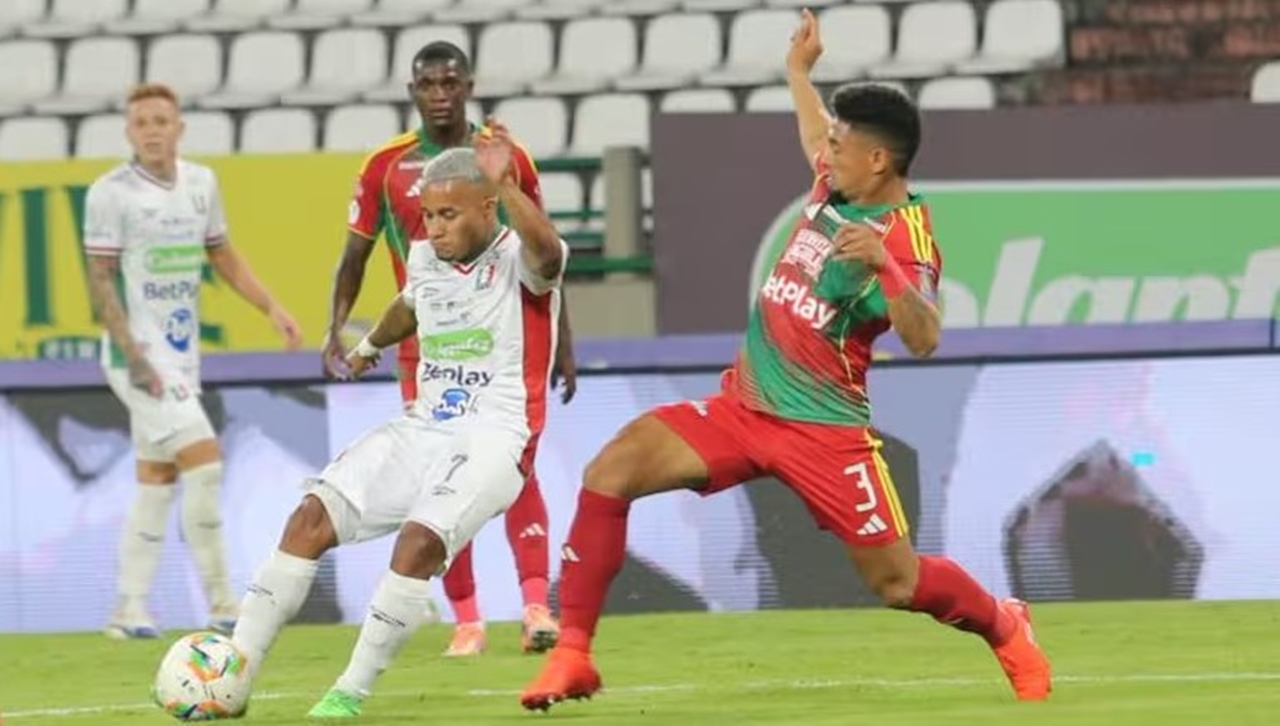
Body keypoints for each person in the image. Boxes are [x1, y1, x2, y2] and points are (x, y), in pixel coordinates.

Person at [520, 10, 1053, 711]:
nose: (824, 152)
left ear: (878, 161)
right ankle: (573, 656)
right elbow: (813, 133)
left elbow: (925, 337)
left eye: (839, 144)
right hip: (743, 409)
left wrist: (887, 268)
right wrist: (798, 72)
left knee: (898, 584)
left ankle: (1004, 623)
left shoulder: (906, 237)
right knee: (610, 471)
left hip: (824, 431)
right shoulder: (836, 185)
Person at [232, 136, 568, 718]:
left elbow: (552, 260)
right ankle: (231, 673)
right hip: (425, 426)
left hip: (496, 437)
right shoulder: (424, 257)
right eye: (429, 215)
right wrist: (367, 346)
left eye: (448, 214)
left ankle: (348, 692)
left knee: (419, 541)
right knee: (310, 517)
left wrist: (508, 182)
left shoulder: (521, 257)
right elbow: (411, 305)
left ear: (487, 206)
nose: (434, 228)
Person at [321, 40, 573, 657]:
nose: (439, 94)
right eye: (428, 84)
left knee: (515, 466)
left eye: (450, 83)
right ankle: (468, 619)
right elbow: (355, 255)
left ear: (468, 87)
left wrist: (564, 341)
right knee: (441, 474)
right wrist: (338, 329)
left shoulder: (505, 159)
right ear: (413, 92)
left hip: (506, 337)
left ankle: (535, 605)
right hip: (428, 345)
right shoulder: (385, 166)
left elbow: (544, 251)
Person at [82, 83, 303, 640]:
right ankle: (224, 601)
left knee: (157, 479)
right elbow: (100, 279)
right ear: (129, 132)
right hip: (136, 356)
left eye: (161, 120)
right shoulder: (110, 194)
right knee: (205, 463)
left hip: (180, 356)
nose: (152, 131)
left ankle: (128, 608)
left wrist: (270, 307)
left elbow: (221, 253)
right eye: (141, 123)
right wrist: (133, 356)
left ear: (179, 128)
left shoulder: (202, 183)